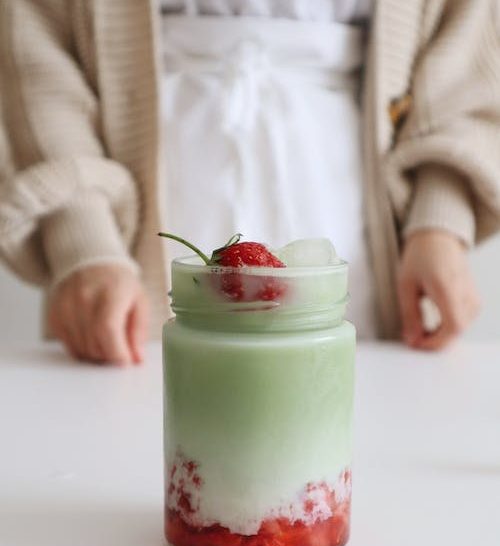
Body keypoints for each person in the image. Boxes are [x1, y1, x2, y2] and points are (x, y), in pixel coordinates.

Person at [0, 0, 498, 366]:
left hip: (349, 216)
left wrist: (438, 220)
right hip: (130, 242)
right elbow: (35, 52)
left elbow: (466, 45)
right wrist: (83, 240)